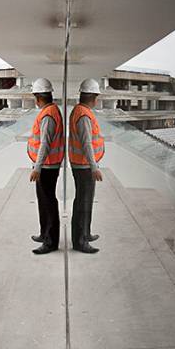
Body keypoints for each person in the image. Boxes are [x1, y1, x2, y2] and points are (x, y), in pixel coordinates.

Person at [27, 78, 64, 255]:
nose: (35, 100)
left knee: (48, 202)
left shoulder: (48, 114)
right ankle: (44, 234)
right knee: (43, 201)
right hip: (46, 166)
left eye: (35, 96)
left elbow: (45, 144)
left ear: (39, 97)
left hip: (48, 167)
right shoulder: (49, 111)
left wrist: (37, 167)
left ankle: (51, 242)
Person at [68, 78, 104, 253]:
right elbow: (87, 143)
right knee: (83, 203)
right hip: (83, 166)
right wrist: (94, 166)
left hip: (83, 165)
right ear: (93, 97)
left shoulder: (81, 111)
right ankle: (80, 242)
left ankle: (86, 234)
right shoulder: (83, 114)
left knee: (85, 202)